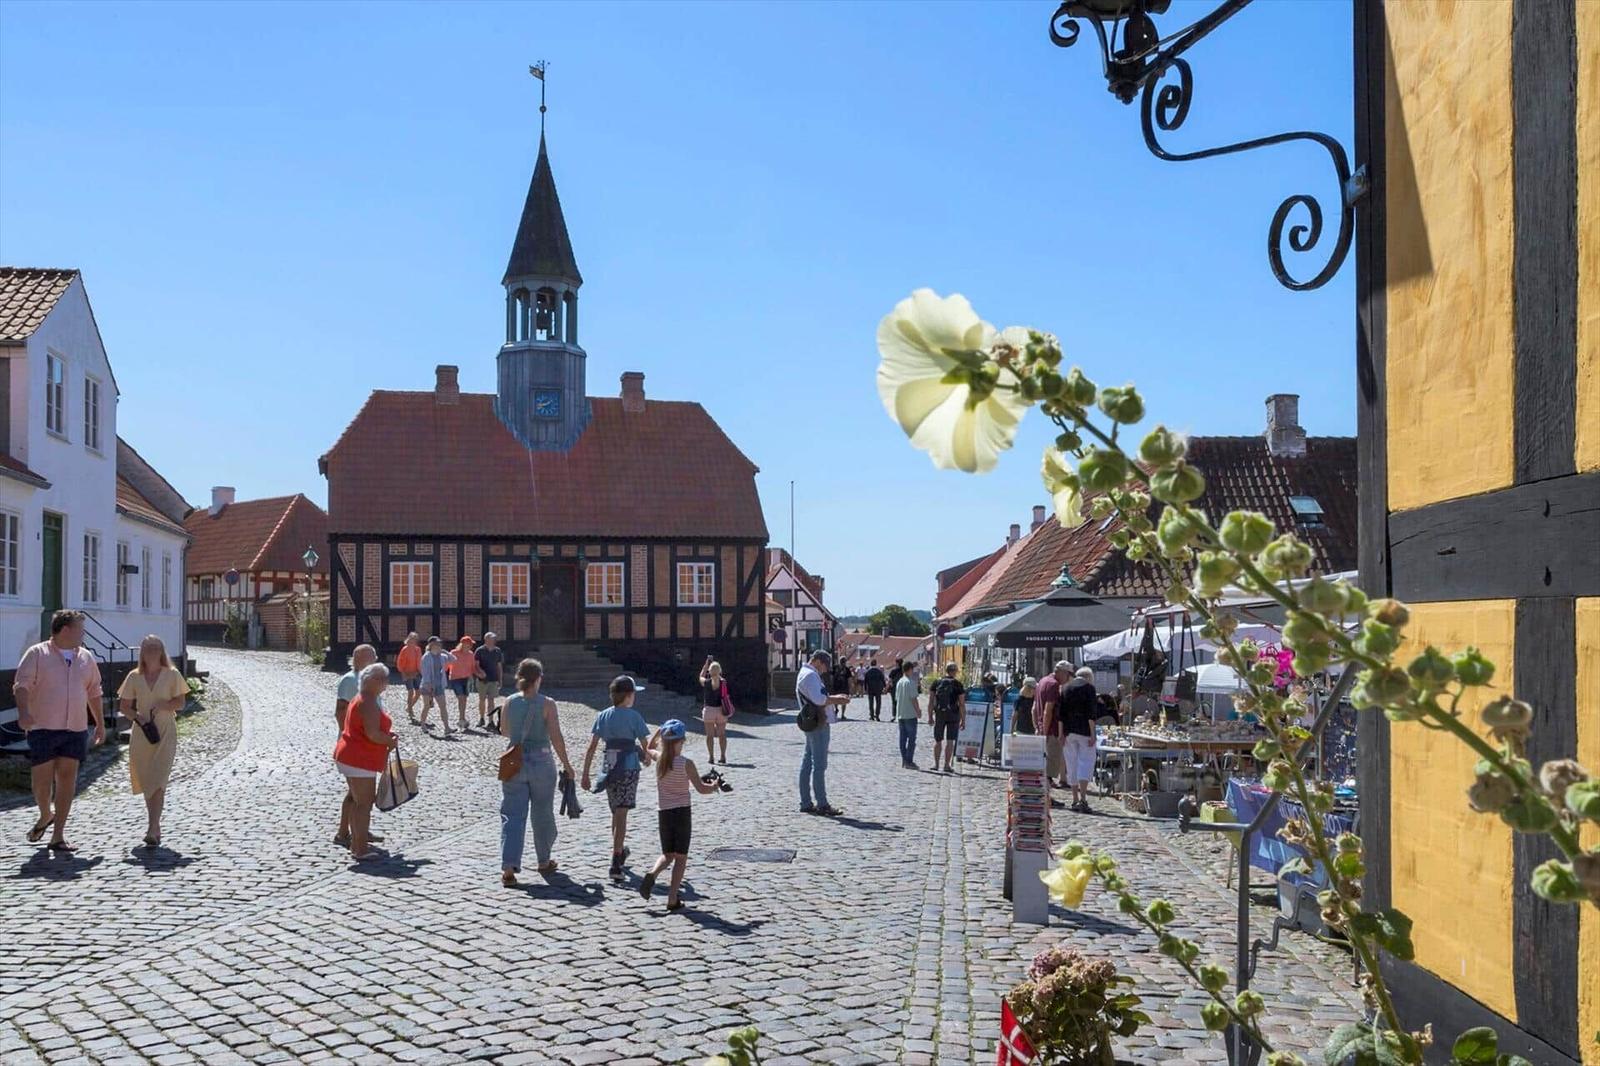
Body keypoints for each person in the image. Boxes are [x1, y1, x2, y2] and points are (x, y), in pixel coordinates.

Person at [15, 610, 105, 853]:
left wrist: (99, 723)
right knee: (42, 783)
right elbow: (21, 686)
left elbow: (94, 692)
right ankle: (46, 814)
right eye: (80, 629)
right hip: (42, 727)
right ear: (66, 630)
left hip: (74, 728)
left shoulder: (85, 657)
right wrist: (23, 713)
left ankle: (58, 836)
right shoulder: (37, 654)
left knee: (67, 780)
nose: (84, 634)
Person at [499, 658, 575, 886]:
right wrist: (568, 765)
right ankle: (544, 860)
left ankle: (509, 867)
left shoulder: (509, 702)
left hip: (515, 762)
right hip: (541, 762)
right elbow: (556, 737)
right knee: (542, 813)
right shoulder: (547, 704)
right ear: (538, 678)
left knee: (512, 814)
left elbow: (504, 731)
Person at [639, 719, 721, 911]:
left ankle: (652, 874)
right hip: (682, 813)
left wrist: (658, 731)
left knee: (667, 854)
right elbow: (701, 789)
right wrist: (715, 786)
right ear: (680, 741)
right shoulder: (686, 764)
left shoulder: (660, 759)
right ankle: (672, 898)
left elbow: (648, 747)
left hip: (664, 812)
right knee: (681, 858)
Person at [116, 635, 188, 847]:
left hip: (165, 731)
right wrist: (138, 717)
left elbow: (181, 703)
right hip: (142, 733)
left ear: (162, 651)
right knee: (148, 780)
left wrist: (165, 705)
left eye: (156, 648)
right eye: (148, 648)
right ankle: (154, 825)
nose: (152, 652)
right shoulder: (134, 676)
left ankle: (152, 827)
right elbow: (124, 706)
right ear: (142, 653)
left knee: (158, 778)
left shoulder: (172, 674)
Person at [581, 675, 653, 883]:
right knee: (622, 814)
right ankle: (615, 860)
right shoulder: (634, 717)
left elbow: (592, 746)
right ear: (629, 696)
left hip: (609, 767)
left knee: (616, 811)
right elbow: (645, 744)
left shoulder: (603, 716)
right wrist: (647, 758)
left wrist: (585, 774)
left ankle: (620, 853)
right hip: (628, 767)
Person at [332, 663, 399, 860]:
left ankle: (356, 843)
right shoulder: (368, 701)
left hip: (351, 755)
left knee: (357, 801)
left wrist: (386, 735)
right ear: (372, 681)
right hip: (359, 758)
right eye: (383, 679)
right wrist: (389, 741)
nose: (386, 684)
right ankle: (360, 849)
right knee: (364, 804)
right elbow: (372, 734)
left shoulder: (362, 698)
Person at [334, 644, 380, 847]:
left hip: (366, 746)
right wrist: (355, 736)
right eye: (373, 657)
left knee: (355, 793)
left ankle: (349, 831)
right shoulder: (350, 680)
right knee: (358, 795)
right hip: (355, 747)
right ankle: (350, 835)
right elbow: (340, 712)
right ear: (361, 659)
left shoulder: (367, 680)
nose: (376, 659)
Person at [795, 650, 848, 815]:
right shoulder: (810, 676)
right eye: (824, 665)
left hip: (811, 722)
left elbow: (817, 696)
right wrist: (838, 700)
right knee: (819, 765)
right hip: (818, 723)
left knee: (807, 763)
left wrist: (834, 696)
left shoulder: (805, 673)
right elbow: (819, 700)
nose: (825, 670)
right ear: (817, 661)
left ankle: (805, 801)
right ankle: (822, 803)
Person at [1059, 667, 1100, 813]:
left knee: (1071, 764)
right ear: (1088, 677)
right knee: (1086, 763)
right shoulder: (1089, 689)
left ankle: (1074, 798)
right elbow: (1091, 714)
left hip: (1069, 731)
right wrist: (1093, 733)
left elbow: (1061, 714)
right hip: (1084, 731)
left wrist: (1060, 734)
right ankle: (1083, 798)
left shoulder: (1066, 688)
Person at [1036, 661, 1071, 790]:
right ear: (1061, 672)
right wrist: (1045, 732)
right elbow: (1048, 710)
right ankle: (1047, 796)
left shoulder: (1043, 681)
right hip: (1051, 730)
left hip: (1043, 728)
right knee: (1049, 769)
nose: (1068, 678)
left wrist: (1038, 727)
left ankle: (1047, 795)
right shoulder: (1053, 684)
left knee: (1046, 766)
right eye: (1067, 674)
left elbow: (1035, 709)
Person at [929, 662, 966, 774]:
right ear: (954, 672)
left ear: (946, 670)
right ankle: (946, 765)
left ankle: (936, 764)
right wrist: (963, 719)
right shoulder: (958, 684)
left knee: (938, 740)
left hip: (940, 713)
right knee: (950, 741)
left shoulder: (936, 683)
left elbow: (931, 701)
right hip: (953, 714)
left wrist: (930, 716)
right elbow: (962, 703)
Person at [698, 657, 732, 765]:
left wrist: (706, 665)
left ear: (710, 671)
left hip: (709, 710)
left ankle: (711, 757)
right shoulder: (723, 683)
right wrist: (716, 671)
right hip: (721, 710)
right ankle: (722, 756)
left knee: (709, 736)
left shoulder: (707, 683)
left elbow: (701, 676)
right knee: (722, 735)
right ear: (720, 671)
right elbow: (720, 679)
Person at [417, 637, 451, 732]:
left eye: (439, 644)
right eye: (436, 644)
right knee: (426, 706)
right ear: (431, 645)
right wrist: (428, 684)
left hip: (439, 685)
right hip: (427, 685)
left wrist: (445, 652)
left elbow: (453, 659)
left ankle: (447, 727)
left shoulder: (442, 656)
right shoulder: (426, 657)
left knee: (443, 706)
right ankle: (423, 725)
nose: (438, 646)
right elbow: (425, 671)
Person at [893, 661, 922, 769]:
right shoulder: (910, 682)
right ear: (910, 669)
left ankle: (904, 760)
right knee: (911, 739)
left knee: (902, 739)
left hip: (901, 714)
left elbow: (896, 698)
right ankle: (909, 761)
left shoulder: (900, 682)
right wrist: (918, 710)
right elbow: (913, 698)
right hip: (910, 714)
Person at [475, 632, 505, 728]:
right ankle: (481, 718)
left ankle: (490, 720)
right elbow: (476, 665)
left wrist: (500, 679)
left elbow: (499, 666)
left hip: (493, 679)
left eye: (494, 639)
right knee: (482, 700)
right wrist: (481, 672)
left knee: (491, 700)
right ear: (486, 639)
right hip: (482, 680)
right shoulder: (479, 651)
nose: (493, 641)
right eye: (491, 639)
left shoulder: (497, 651)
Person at [447, 636, 477, 731]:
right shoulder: (453, 653)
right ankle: (461, 718)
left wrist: (473, 676)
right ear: (462, 644)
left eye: (470, 644)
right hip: (455, 679)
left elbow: (472, 667)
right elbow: (446, 665)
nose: (470, 646)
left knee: (464, 699)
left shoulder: (471, 654)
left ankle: (462, 718)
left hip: (466, 679)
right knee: (461, 697)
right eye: (468, 644)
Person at [396, 632, 423, 722]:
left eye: (415, 639)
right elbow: (400, 662)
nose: (413, 640)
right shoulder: (405, 649)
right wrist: (403, 673)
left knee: (418, 692)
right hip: (407, 673)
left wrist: (421, 671)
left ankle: (409, 707)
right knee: (410, 691)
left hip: (416, 673)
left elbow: (419, 661)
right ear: (408, 639)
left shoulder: (418, 649)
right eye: (412, 638)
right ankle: (410, 711)